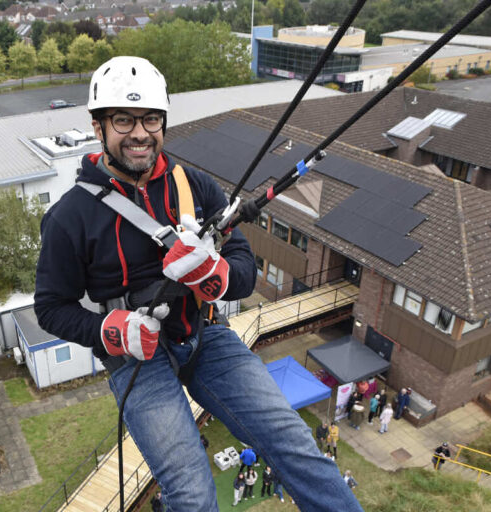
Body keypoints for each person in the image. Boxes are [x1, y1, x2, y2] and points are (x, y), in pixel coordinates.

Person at [34, 56, 363, 512]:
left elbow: (243, 267)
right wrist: (110, 330)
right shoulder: (71, 216)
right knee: (192, 495)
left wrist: (217, 275)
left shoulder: (194, 187)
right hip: (137, 358)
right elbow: (51, 307)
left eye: (150, 119)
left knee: (297, 446)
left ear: (163, 123)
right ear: (99, 127)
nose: (140, 133)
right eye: (124, 120)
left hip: (204, 336)